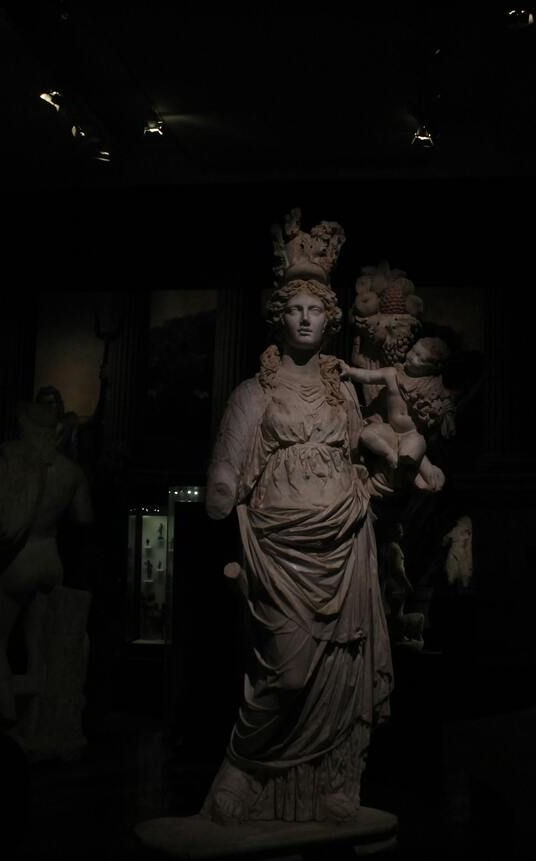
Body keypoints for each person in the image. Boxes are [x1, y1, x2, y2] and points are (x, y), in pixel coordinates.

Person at [202, 247, 393, 825]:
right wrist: (221, 484)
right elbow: (227, 464)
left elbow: (365, 457)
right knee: (284, 673)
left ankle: (334, 780)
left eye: (315, 309)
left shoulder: (344, 393)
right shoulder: (252, 393)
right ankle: (240, 767)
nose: (305, 318)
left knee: (340, 670)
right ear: (278, 317)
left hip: (344, 539)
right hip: (280, 550)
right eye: (295, 309)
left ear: (329, 318)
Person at [0, 402, 93, 727]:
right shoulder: (71, 471)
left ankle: (7, 719)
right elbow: (84, 517)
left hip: (18, 560)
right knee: (40, 649)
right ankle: (37, 723)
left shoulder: (11, 458)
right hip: (50, 559)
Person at [339, 336, 455, 492]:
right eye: (413, 350)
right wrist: (349, 371)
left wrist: (448, 419)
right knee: (367, 435)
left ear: (432, 368)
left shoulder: (432, 387)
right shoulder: (392, 373)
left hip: (412, 434)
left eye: (419, 358)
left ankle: (428, 477)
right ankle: (390, 455)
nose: (411, 357)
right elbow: (368, 376)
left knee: (414, 462)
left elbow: (445, 404)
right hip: (390, 430)